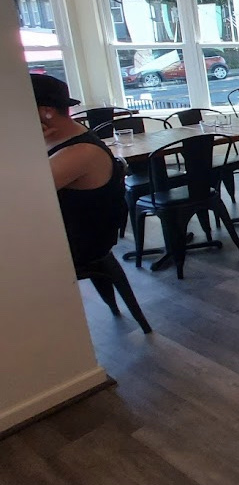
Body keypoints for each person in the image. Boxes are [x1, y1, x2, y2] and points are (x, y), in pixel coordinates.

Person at [33, 74, 151, 332]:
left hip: (81, 243)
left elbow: (26, 196)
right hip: (69, 235)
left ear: (47, 112)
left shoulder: (79, 152)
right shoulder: (59, 141)